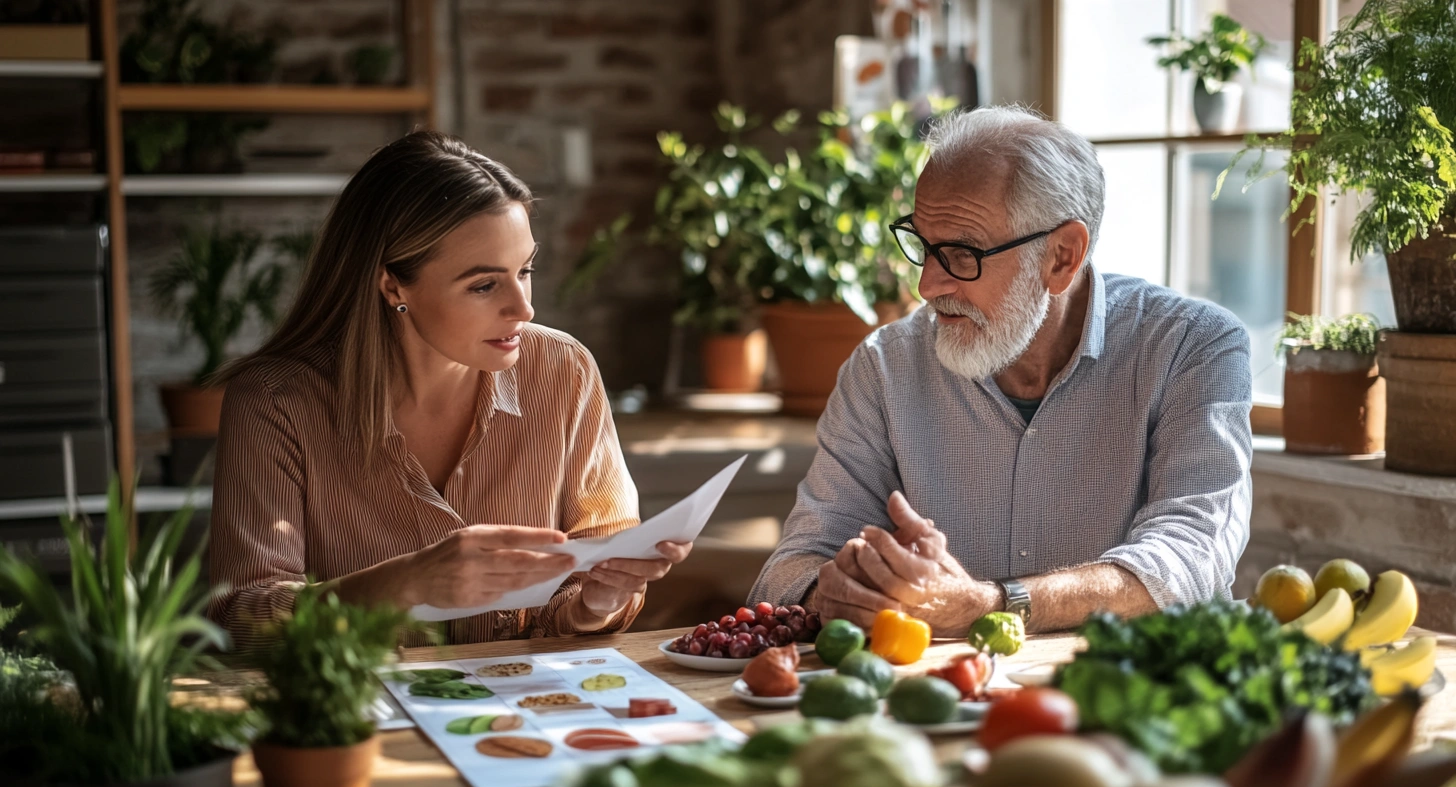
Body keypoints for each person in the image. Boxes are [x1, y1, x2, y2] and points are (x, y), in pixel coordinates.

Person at [748, 106, 1253, 636]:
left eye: (962, 254)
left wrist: (990, 605)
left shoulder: (1193, 347)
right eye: (923, 245)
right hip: (936, 702)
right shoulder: (884, 367)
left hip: (1127, 695)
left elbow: (1190, 559)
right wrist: (842, 590)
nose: (927, 286)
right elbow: (791, 568)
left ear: (1062, 256)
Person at [208, 131, 687, 649]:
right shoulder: (277, 401)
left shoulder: (563, 370)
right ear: (393, 284)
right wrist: (402, 583)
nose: (523, 308)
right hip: (361, 716)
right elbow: (242, 619)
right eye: (484, 285)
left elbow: (587, 586)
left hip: (519, 710)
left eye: (524, 271)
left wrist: (596, 603)